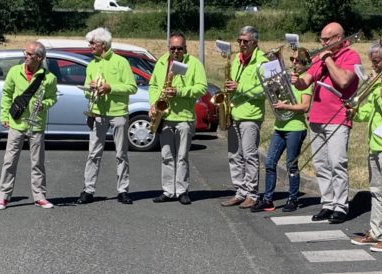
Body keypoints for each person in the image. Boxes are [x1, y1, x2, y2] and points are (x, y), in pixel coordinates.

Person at [293, 22, 360, 224]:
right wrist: (296, 79)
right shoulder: (319, 59)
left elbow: (343, 81)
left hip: (338, 117)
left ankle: (341, 206)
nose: (322, 43)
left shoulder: (351, 56)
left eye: (326, 40)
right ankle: (328, 202)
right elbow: (305, 81)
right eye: (321, 39)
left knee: (337, 162)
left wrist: (328, 59)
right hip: (317, 117)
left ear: (338, 38)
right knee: (321, 164)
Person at [349, 43, 382, 253]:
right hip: (375, 142)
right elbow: (369, 112)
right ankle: (376, 231)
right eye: (372, 62)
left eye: (377, 62)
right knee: (377, 191)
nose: (374, 66)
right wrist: (354, 112)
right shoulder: (379, 81)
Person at [0, 41, 58, 210]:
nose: (26, 56)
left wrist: (44, 104)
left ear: (40, 58)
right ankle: (3, 197)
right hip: (17, 123)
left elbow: (53, 98)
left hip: (36, 124)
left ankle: (40, 196)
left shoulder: (49, 78)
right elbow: (7, 94)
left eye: (30, 55)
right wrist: (4, 115)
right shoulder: (15, 72)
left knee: (37, 162)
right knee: (9, 160)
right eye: (26, 53)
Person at [79, 27, 138, 205]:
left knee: (121, 153)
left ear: (102, 44)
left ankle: (123, 190)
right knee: (93, 154)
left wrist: (110, 87)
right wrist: (91, 90)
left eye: (92, 43)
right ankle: (88, 190)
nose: (90, 46)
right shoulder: (91, 64)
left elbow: (132, 87)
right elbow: (86, 93)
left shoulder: (121, 62)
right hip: (98, 113)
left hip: (118, 113)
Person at [150, 32, 207, 205]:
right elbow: (153, 85)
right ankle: (168, 191)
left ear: (185, 48)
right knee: (166, 156)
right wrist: (153, 103)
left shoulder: (194, 64)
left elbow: (202, 88)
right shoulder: (161, 62)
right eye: (172, 48)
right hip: (165, 116)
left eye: (179, 48)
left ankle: (182, 190)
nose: (176, 51)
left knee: (182, 156)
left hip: (184, 117)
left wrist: (179, 92)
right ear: (168, 48)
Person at [253, 53, 311, 213]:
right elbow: (274, 97)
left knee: (291, 164)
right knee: (270, 163)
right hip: (280, 127)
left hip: (296, 127)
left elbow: (305, 107)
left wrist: (286, 107)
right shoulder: (283, 77)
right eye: (291, 59)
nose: (293, 63)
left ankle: (293, 199)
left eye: (297, 61)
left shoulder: (306, 80)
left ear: (304, 63)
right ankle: (267, 200)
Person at [219, 26, 267, 209]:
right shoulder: (237, 61)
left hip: (251, 115)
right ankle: (240, 191)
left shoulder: (262, 62)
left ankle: (252, 193)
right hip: (235, 113)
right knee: (234, 155)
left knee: (249, 155)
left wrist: (240, 88)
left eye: (245, 41)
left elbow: (266, 91)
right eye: (239, 40)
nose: (241, 44)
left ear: (255, 42)